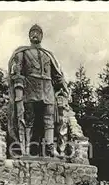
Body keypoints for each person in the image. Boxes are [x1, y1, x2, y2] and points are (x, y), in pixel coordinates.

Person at [8, 24, 69, 158]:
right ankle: (26, 149)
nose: (35, 34)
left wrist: (63, 86)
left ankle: (50, 149)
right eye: (32, 32)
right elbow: (17, 71)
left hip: (47, 88)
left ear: (42, 36)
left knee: (49, 119)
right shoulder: (22, 52)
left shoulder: (48, 55)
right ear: (29, 36)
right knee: (28, 118)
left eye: (38, 33)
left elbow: (56, 74)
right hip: (30, 87)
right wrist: (19, 85)